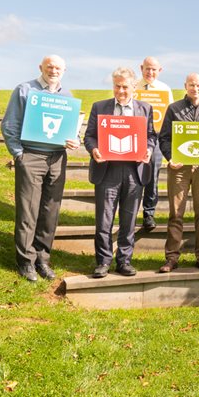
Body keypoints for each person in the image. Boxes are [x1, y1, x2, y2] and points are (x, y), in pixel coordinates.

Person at [1, 55, 81, 281]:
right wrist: (19, 155)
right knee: (28, 210)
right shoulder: (24, 90)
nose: (53, 70)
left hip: (57, 158)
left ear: (64, 70)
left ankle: (42, 259)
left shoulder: (67, 96)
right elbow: (10, 124)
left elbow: (72, 130)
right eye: (49, 67)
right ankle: (26, 261)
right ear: (41, 68)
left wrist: (75, 140)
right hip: (31, 156)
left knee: (50, 211)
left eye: (58, 67)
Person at [83, 67, 156, 278]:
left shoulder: (145, 108)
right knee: (104, 220)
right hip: (107, 171)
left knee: (129, 220)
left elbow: (151, 136)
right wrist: (94, 149)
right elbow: (89, 136)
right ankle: (103, 262)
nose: (121, 90)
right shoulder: (100, 107)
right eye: (117, 86)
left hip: (134, 171)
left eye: (125, 86)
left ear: (134, 87)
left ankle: (124, 261)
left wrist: (149, 150)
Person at [157, 73, 199, 273]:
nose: (195, 88)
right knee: (175, 213)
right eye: (191, 85)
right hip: (180, 168)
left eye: (198, 85)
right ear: (185, 86)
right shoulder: (174, 108)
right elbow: (164, 138)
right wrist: (171, 158)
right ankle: (171, 257)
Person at [136, 56, 174, 232]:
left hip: (156, 137)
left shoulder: (165, 90)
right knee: (132, 174)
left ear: (160, 70)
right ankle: (130, 211)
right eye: (147, 68)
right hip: (135, 136)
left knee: (153, 174)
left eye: (154, 69)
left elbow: (170, 115)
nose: (150, 72)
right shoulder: (134, 86)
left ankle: (149, 213)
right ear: (141, 68)